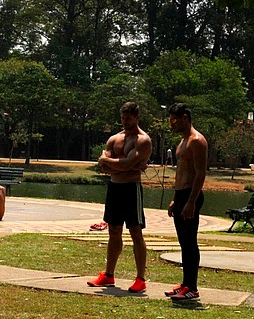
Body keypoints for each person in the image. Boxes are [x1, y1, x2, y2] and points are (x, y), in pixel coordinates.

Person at [87, 101, 152, 293]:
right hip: (115, 187)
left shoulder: (143, 140)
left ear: (137, 117)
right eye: (123, 118)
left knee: (135, 231)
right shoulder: (114, 139)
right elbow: (104, 166)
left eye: (128, 118)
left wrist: (114, 162)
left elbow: (120, 164)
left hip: (131, 188)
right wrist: (124, 164)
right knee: (113, 231)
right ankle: (108, 275)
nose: (125, 122)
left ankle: (140, 278)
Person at [165, 103, 208, 301]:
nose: (171, 123)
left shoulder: (196, 141)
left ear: (185, 117)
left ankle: (192, 288)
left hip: (192, 195)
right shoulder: (182, 142)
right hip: (181, 195)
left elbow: (200, 174)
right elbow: (181, 172)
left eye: (174, 119)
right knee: (183, 242)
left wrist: (191, 201)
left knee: (190, 242)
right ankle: (185, 283)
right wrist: (176, 198)